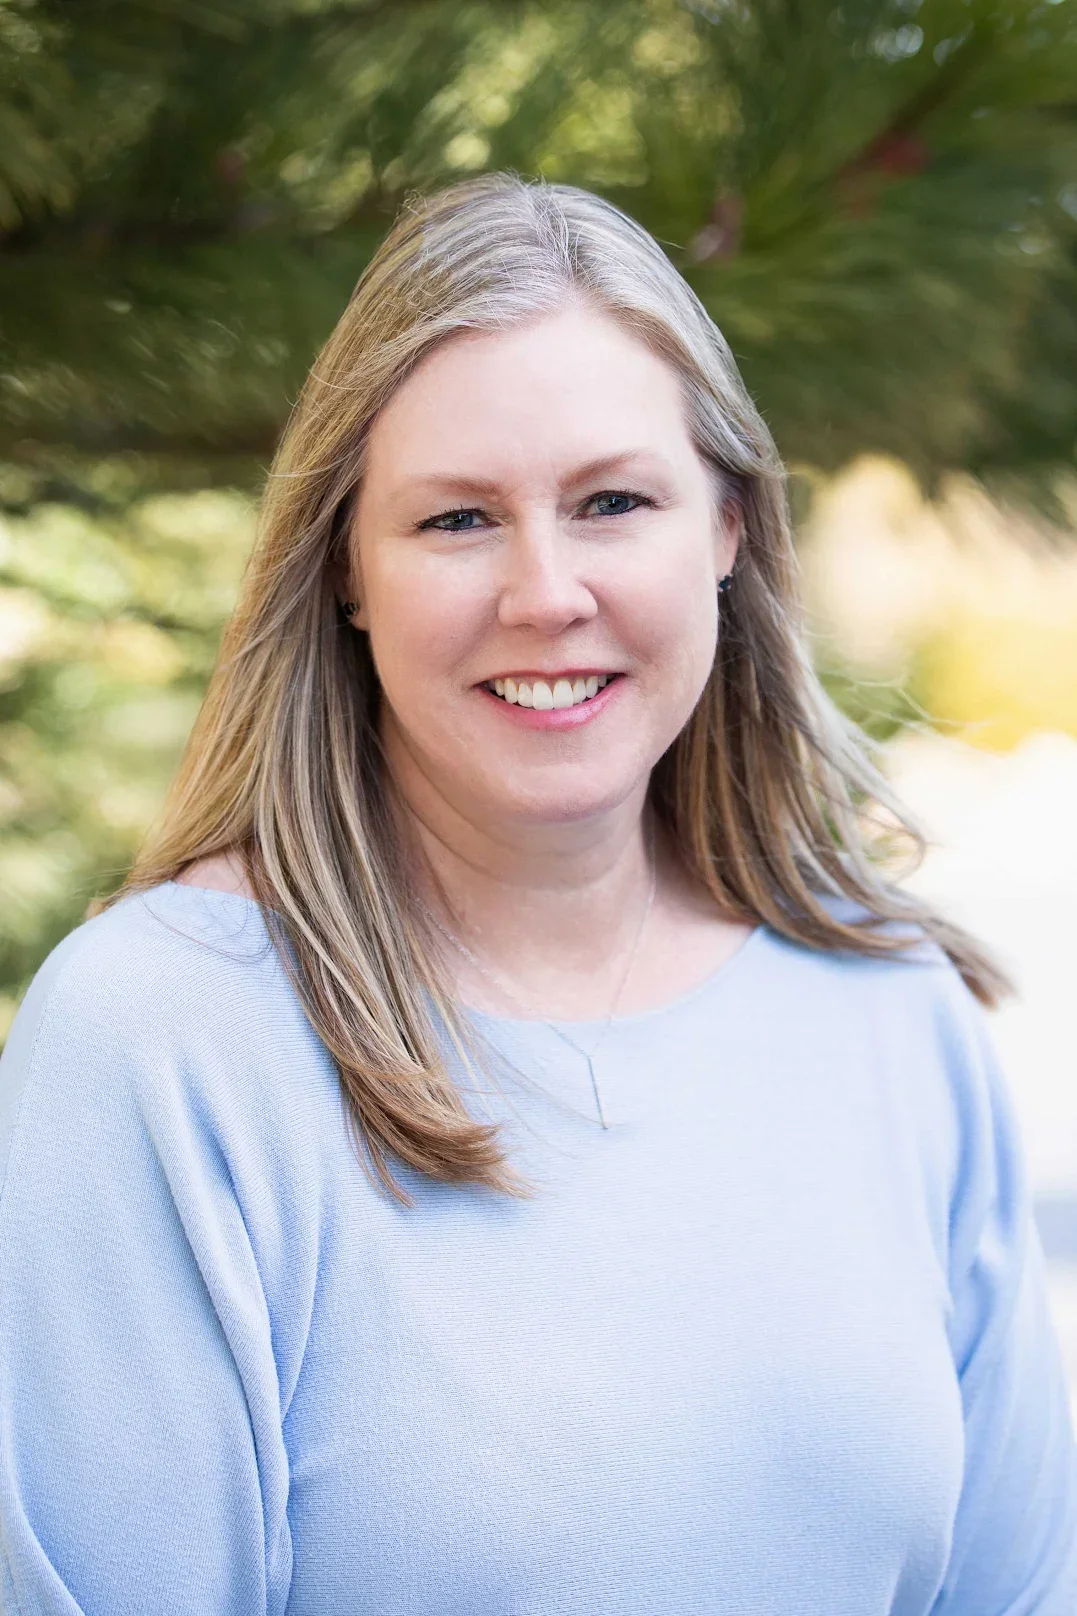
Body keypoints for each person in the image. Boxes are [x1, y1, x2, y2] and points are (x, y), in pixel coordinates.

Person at [0, 172, 1074, 1616]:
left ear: (728, 527)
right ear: (345, 570)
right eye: (457, 520)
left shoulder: (890, 1014)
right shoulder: (168, 1041)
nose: (546, 593)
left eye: (613, 501)